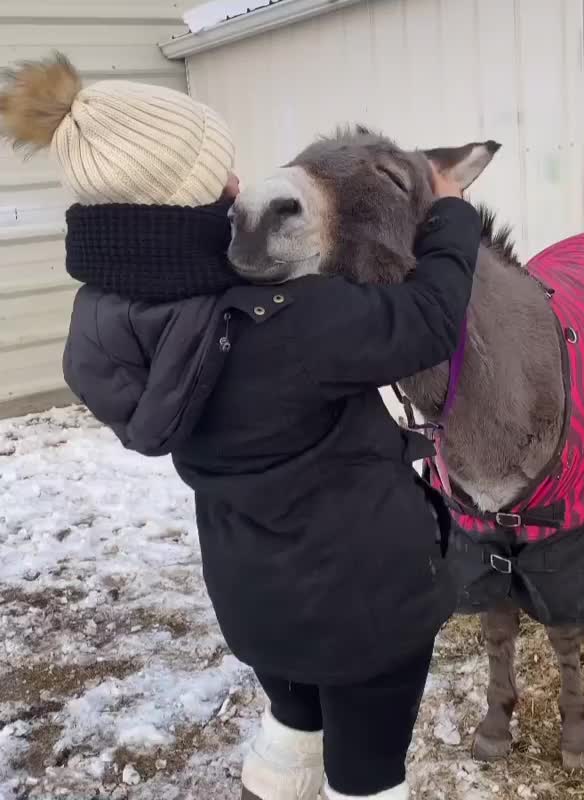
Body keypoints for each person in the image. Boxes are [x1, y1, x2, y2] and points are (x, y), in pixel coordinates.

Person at [0, 54, 481, 800]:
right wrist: (449, 208)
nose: (238, 185)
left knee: (292, 725)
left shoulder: (103, 324)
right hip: (366, 609)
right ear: (179, 200)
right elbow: (428, 319)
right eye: (218, 174)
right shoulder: (288, 325)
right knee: (366, 776)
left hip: (255, 600)